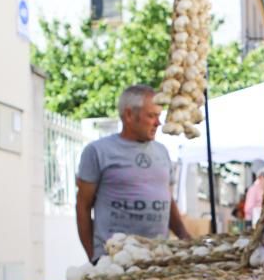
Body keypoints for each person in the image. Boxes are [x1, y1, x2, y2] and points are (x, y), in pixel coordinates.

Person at [75, 84, 191, 261]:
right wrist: (94, 256)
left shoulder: (162, 152)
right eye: (151, 116)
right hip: (115, 259)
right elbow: (82, 206)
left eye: (158, 116)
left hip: (158, 257)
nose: (158, 123)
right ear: (129, 115)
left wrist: (185, 237)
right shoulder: (98, 151)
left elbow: (168, 200)